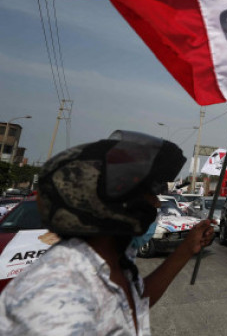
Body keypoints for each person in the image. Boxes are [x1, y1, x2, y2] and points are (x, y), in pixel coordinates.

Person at [0, 130, 215, 335]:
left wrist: (186, 248)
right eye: (147, 193)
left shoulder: (112, 260)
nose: (157, 203)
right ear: (101, 203)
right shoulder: (55, 295)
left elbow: (132, 303)